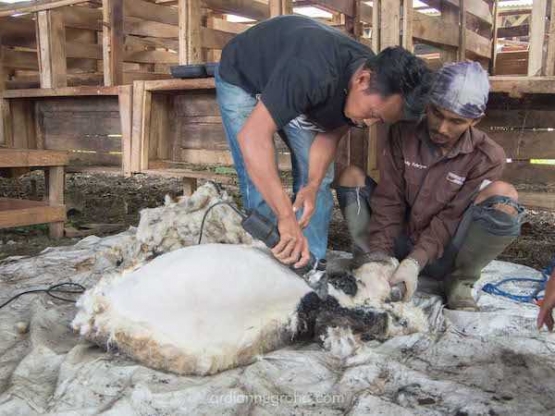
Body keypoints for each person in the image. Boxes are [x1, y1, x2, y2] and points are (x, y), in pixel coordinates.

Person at [215, 15, 432, 268]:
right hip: (244, 74)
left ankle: (310, 264)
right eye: (373, 114)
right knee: (257, 174)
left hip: (294, 80)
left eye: (380, 120)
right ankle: (268, 261)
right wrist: (285, 216)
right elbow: (253, 137)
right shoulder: (312, 72)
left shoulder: (365, 87)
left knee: (317, 184)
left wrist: (312, 184)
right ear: (362, 80)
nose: (369, 124)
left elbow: (330, 133)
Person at [336, 61, 525, 310]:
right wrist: (381, 253)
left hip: (445, 250)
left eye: (456, 121)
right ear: (428, 104)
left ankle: (459, 282)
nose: (442, 128)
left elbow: (451, 217)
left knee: (504, 196)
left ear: (475, 121)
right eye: (437, 113)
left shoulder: (487, 156)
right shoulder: (403, 133)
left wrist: (415, 262)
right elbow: (389, 199)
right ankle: (372, 264)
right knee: (351, 176)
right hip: (399, 241)